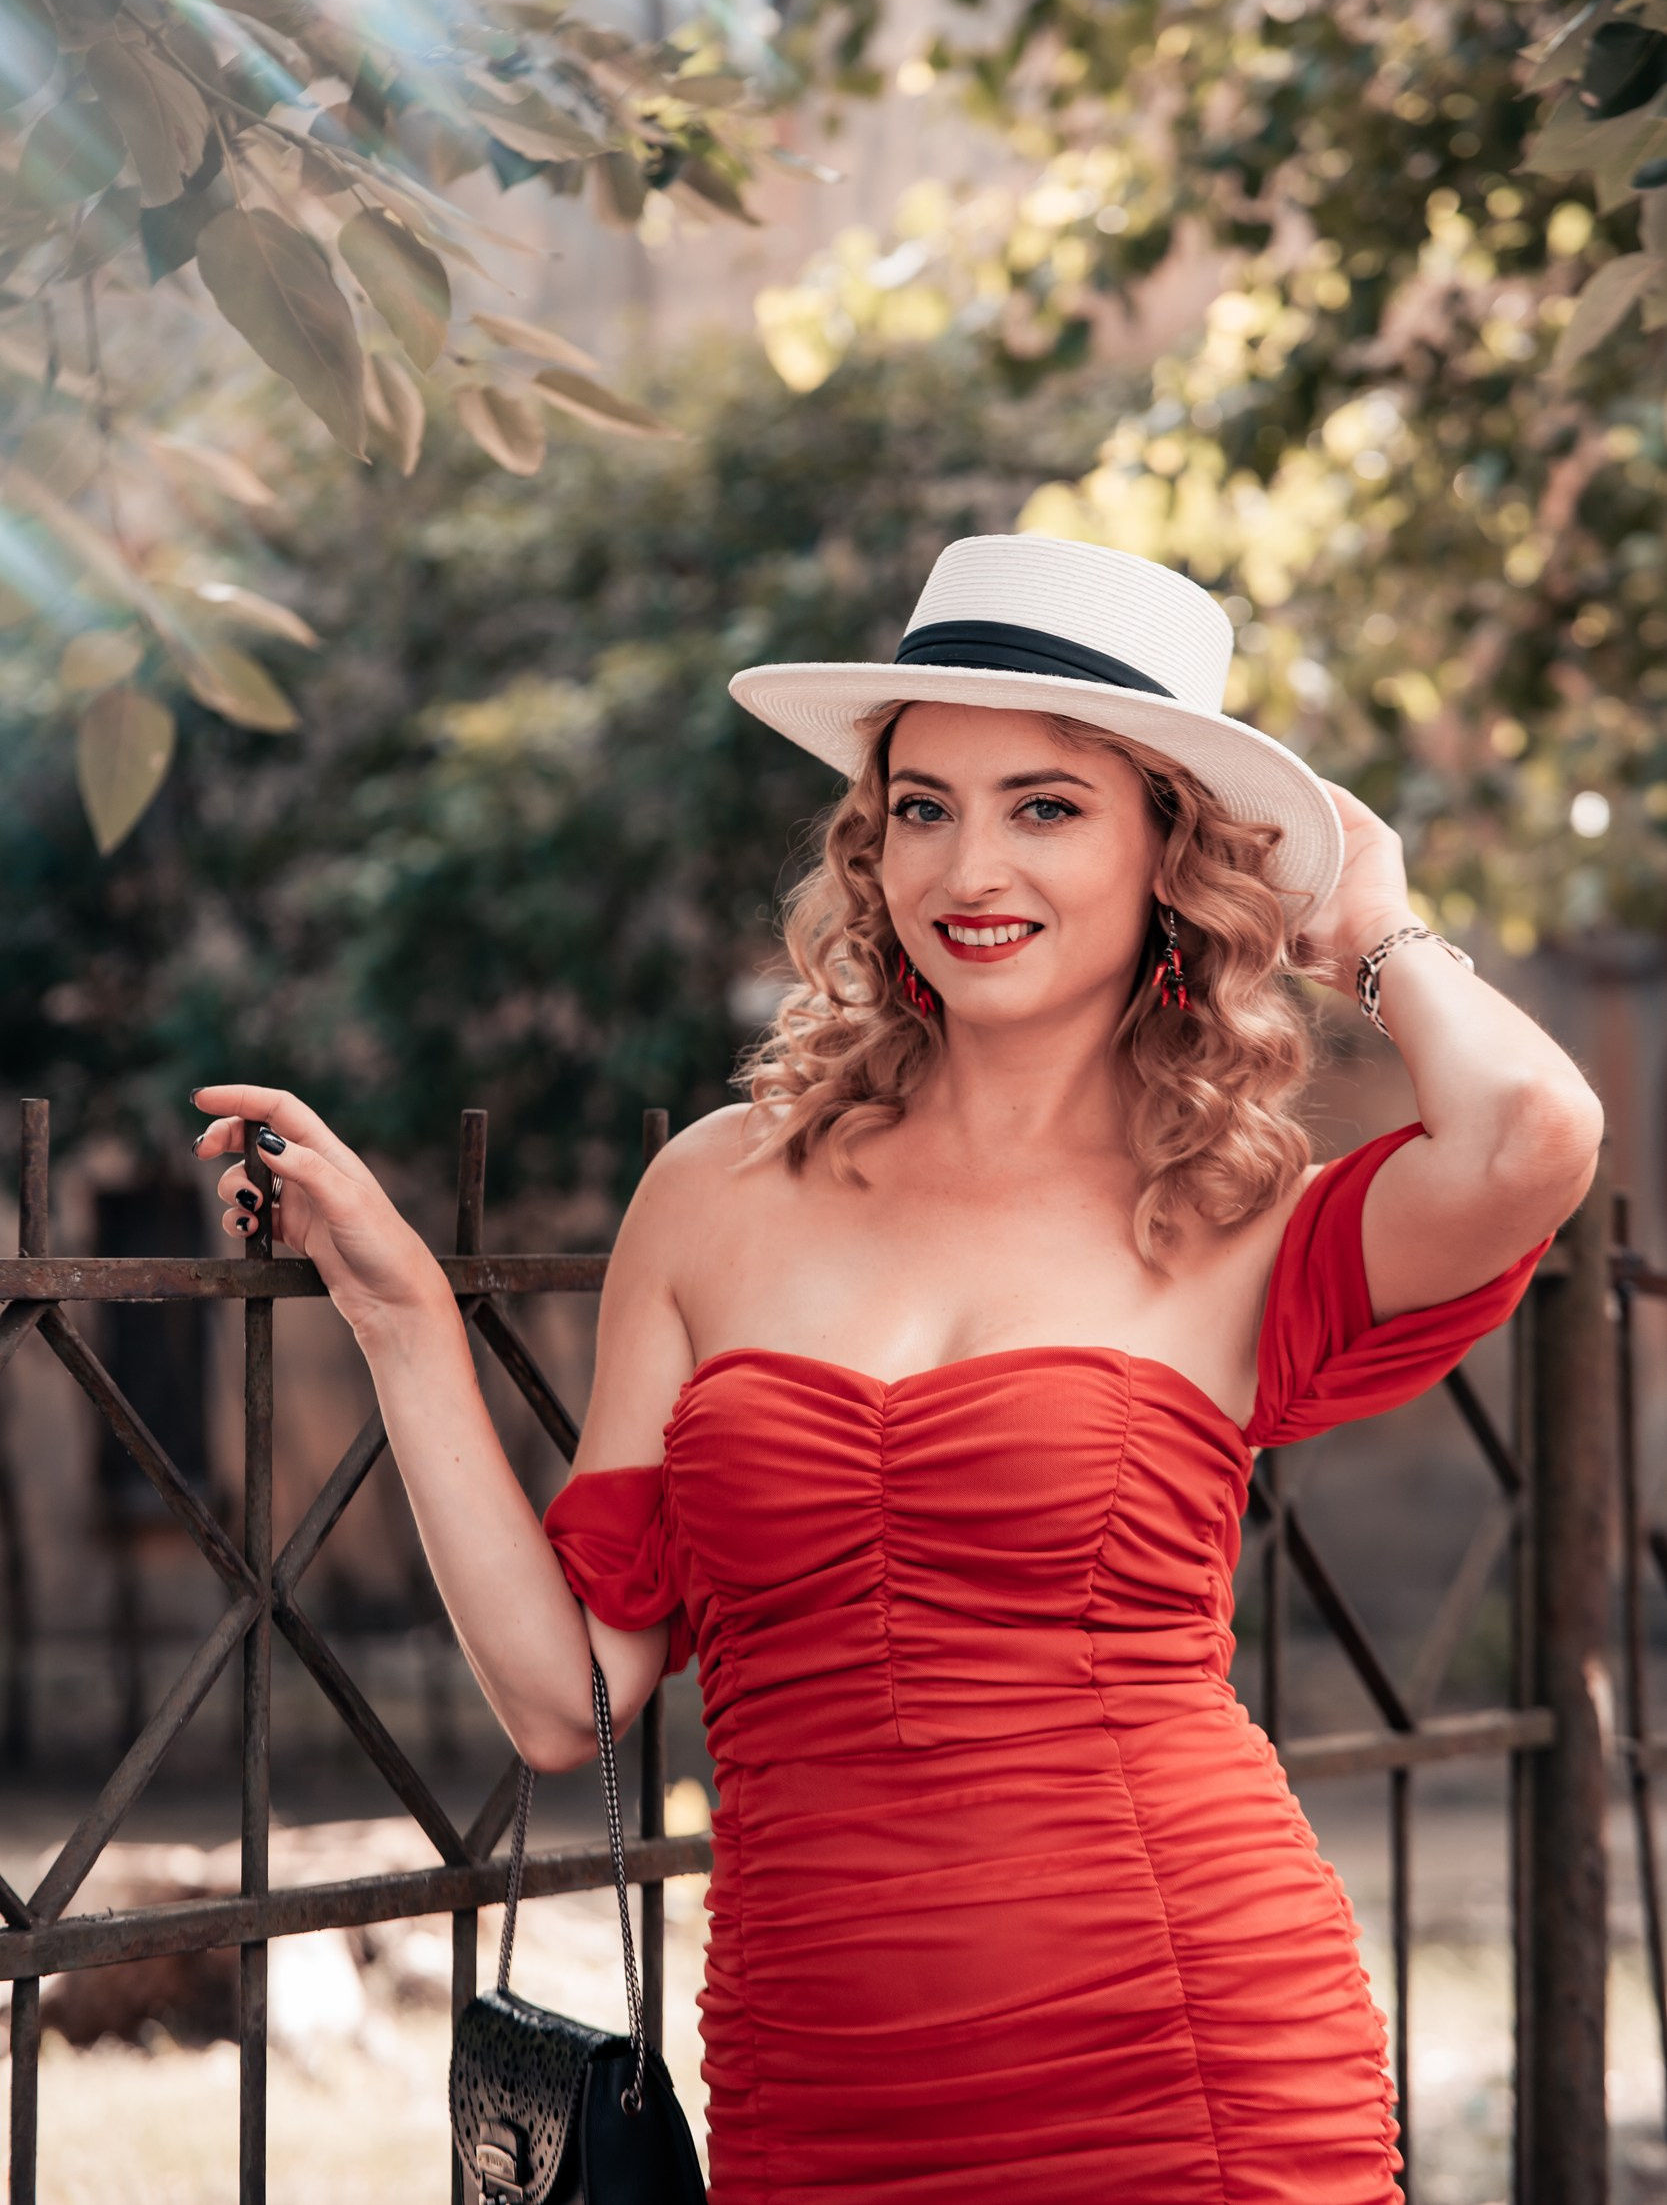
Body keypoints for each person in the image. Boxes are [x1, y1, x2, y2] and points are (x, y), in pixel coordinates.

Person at [193, 535, 1602, 2205]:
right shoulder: (716, 1191)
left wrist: (1368, 926)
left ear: (1172, 846)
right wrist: (403, 1314)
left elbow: (1532, 1132)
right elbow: (562, 1696)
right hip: (820, 2076)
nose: (968, 866)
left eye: (1047, 806)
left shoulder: (1238, 1221)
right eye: (922, 806)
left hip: (1185, 2050)